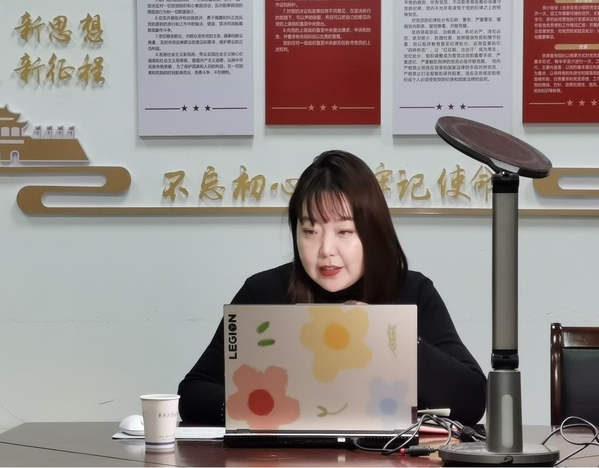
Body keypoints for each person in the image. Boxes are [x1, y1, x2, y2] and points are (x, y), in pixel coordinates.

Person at [178, 149, 486, 426]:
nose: (326, 249)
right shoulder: (263, 292)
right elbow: (192, 393)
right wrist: (256, 408)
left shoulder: (412, 290)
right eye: (310, 230)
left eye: (344, 231)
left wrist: (391, 337)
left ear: (373, 232)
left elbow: (472, 401)